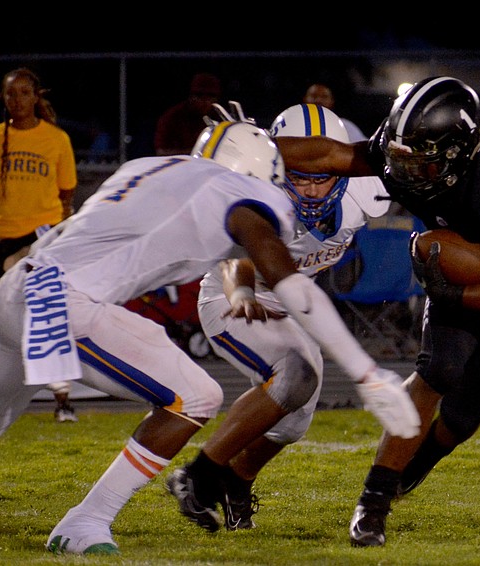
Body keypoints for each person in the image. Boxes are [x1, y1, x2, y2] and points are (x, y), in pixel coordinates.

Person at [0, 103, 419, 559]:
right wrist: (366, 373)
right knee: (197, 395)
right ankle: (86, 521)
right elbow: (292, 285)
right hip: (60, 301)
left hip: (21, 288)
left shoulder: (150, 168)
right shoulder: (239, 197)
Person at [276, 76, 480, 547]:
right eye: (398, 152)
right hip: (458, 256)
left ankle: (420, 462)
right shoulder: (404, 146)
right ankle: (373, 501)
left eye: (419, 158)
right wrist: (252, 150)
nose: (401, 166)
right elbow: (334, 155)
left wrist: (453, 297)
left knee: (463, 417)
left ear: (456, 155)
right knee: (439, 370)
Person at [166, 102, 391, 531]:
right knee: (295, 378)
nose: (308, 190)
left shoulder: (368, 191)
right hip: (233, 295)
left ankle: (237, 478)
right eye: (298, 177)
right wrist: (243, 290)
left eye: (320, 177)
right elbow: (235, 259)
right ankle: (198, 477)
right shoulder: (259, 192)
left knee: (293, 424)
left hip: (293, 308)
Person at [0, 67, 79, 422]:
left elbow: (66, 194)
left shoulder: (56, 139)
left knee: (42, 313)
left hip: (37, 238)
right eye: (10, 94)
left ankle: (60, 395)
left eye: (24, 93)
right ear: (3, 99)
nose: (17, 100)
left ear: (37, 96)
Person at [153, 72, 221, 156]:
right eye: (200, 95)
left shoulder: (220, 117)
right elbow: (160, 152)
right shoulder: (172, 117)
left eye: (210, 96)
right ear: (191, 96)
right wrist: (197, 153)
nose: (205, 101)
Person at [302, 82, 367, 142]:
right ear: (304, 99)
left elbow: (364, 147)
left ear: (332, 101)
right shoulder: (294, 122)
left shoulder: (345, 126)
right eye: (314, 96)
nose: (318, 100)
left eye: (324, 97)